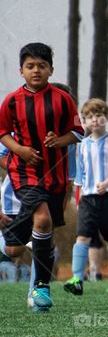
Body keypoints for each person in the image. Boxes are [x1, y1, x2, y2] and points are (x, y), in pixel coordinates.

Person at [0, 43, 84, 312]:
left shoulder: (62, 100)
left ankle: (37, 291)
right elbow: (2, 138)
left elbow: (78, 135)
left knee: (18, 247)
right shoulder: (12, 102)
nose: (36, 70)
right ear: (21, 71)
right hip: (22, 177)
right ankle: (41, 287)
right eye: (30, 66)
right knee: (43, 220)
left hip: (54, 181)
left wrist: (60, 140)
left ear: (51, 70)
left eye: (42, 65)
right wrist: (20, 151)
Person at [63, 98, 108, 296]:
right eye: (90, 117)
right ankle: (77, 279)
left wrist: (106, 184)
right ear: (84, 121)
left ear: (107, 118)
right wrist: (78, 199)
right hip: (88, 200)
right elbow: (80, 176)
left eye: (99, 116)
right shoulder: (83, 145)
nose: (94, 120)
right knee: (82, 236)